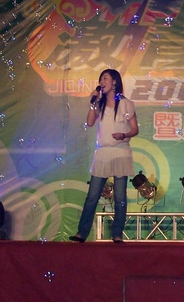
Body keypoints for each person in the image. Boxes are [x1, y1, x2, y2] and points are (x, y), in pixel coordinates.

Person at [70, 69, 139, 243]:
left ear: (114, 81)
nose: (102, 81)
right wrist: (93, 102)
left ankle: (117, 233)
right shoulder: (99, 104)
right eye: (101, 79)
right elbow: (89, 122)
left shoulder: (126, 104)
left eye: (105, 78)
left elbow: (135, 129)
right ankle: (82, 233)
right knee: (92, 196)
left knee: (120, 197)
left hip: (121, 152)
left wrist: (123, 135)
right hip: (102, 153)